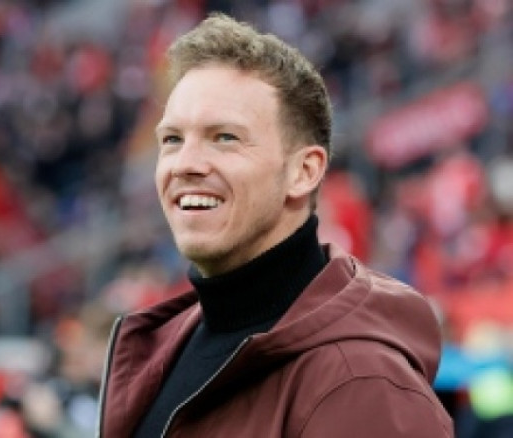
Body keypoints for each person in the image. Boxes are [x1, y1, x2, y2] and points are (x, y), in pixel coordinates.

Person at [97, 13, 453, 438]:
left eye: (224, 137)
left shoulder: (362, 382)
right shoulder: (159, 350)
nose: (185, 164)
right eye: (172, 139)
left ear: (304, 171)